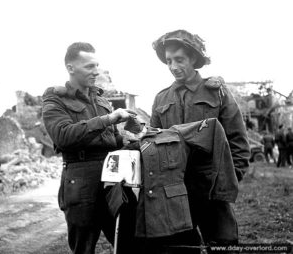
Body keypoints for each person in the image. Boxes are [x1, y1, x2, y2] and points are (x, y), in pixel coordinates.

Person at [149, 30, 250, 251]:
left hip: (212, 188)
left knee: (224, 245)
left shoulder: (217, 92)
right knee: (182, 247)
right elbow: (154, 145)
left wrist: (228, 179)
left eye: (179, 59)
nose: (173, 66)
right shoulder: (161, 98)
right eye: (168, 61)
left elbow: (238, 142)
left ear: (193, 58)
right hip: (175, 191)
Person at [42, 42, 137, 254]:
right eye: (89, 67)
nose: (96, 72)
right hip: (81, 180)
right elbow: (63, 136)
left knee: (126, 242)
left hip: (112, 178)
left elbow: (111, 139)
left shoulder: (101, 100)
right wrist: (108, 118)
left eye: (97, 65)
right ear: (70, 67)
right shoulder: (55, 99)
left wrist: (129, 137)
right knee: (83, 247)